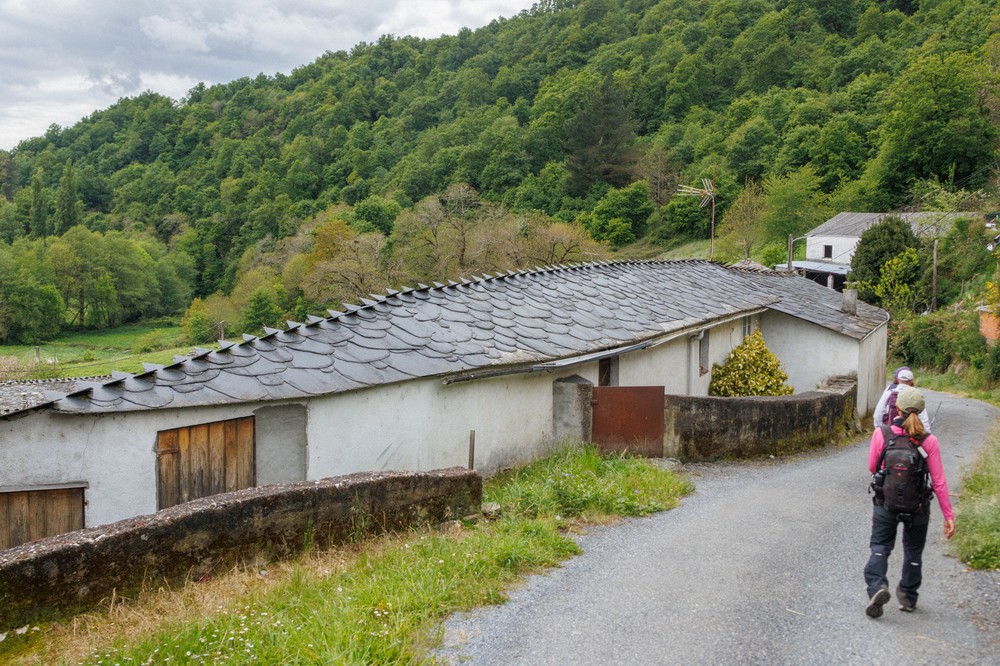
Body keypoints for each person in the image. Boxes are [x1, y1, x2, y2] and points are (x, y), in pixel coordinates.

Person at [864, 385, 955, 618]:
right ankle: (907, 596)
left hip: (886, 501)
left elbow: (873, 466)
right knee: (913, 552)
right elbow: (939, 482)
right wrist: (948, 516)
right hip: (918, 506)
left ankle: (877, 587)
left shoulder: (882, 434)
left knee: (880, 547)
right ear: (921, 410)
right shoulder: (929, 441)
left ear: (897, 407)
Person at [873, 366, 931, 432]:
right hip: (912, 434)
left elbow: (878, 413)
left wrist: (880, 430)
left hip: (891, 434)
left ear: (898, 379)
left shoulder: (889, 393)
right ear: (912, 381)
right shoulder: (915, 395)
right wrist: (926, 432)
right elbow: (923, 417)